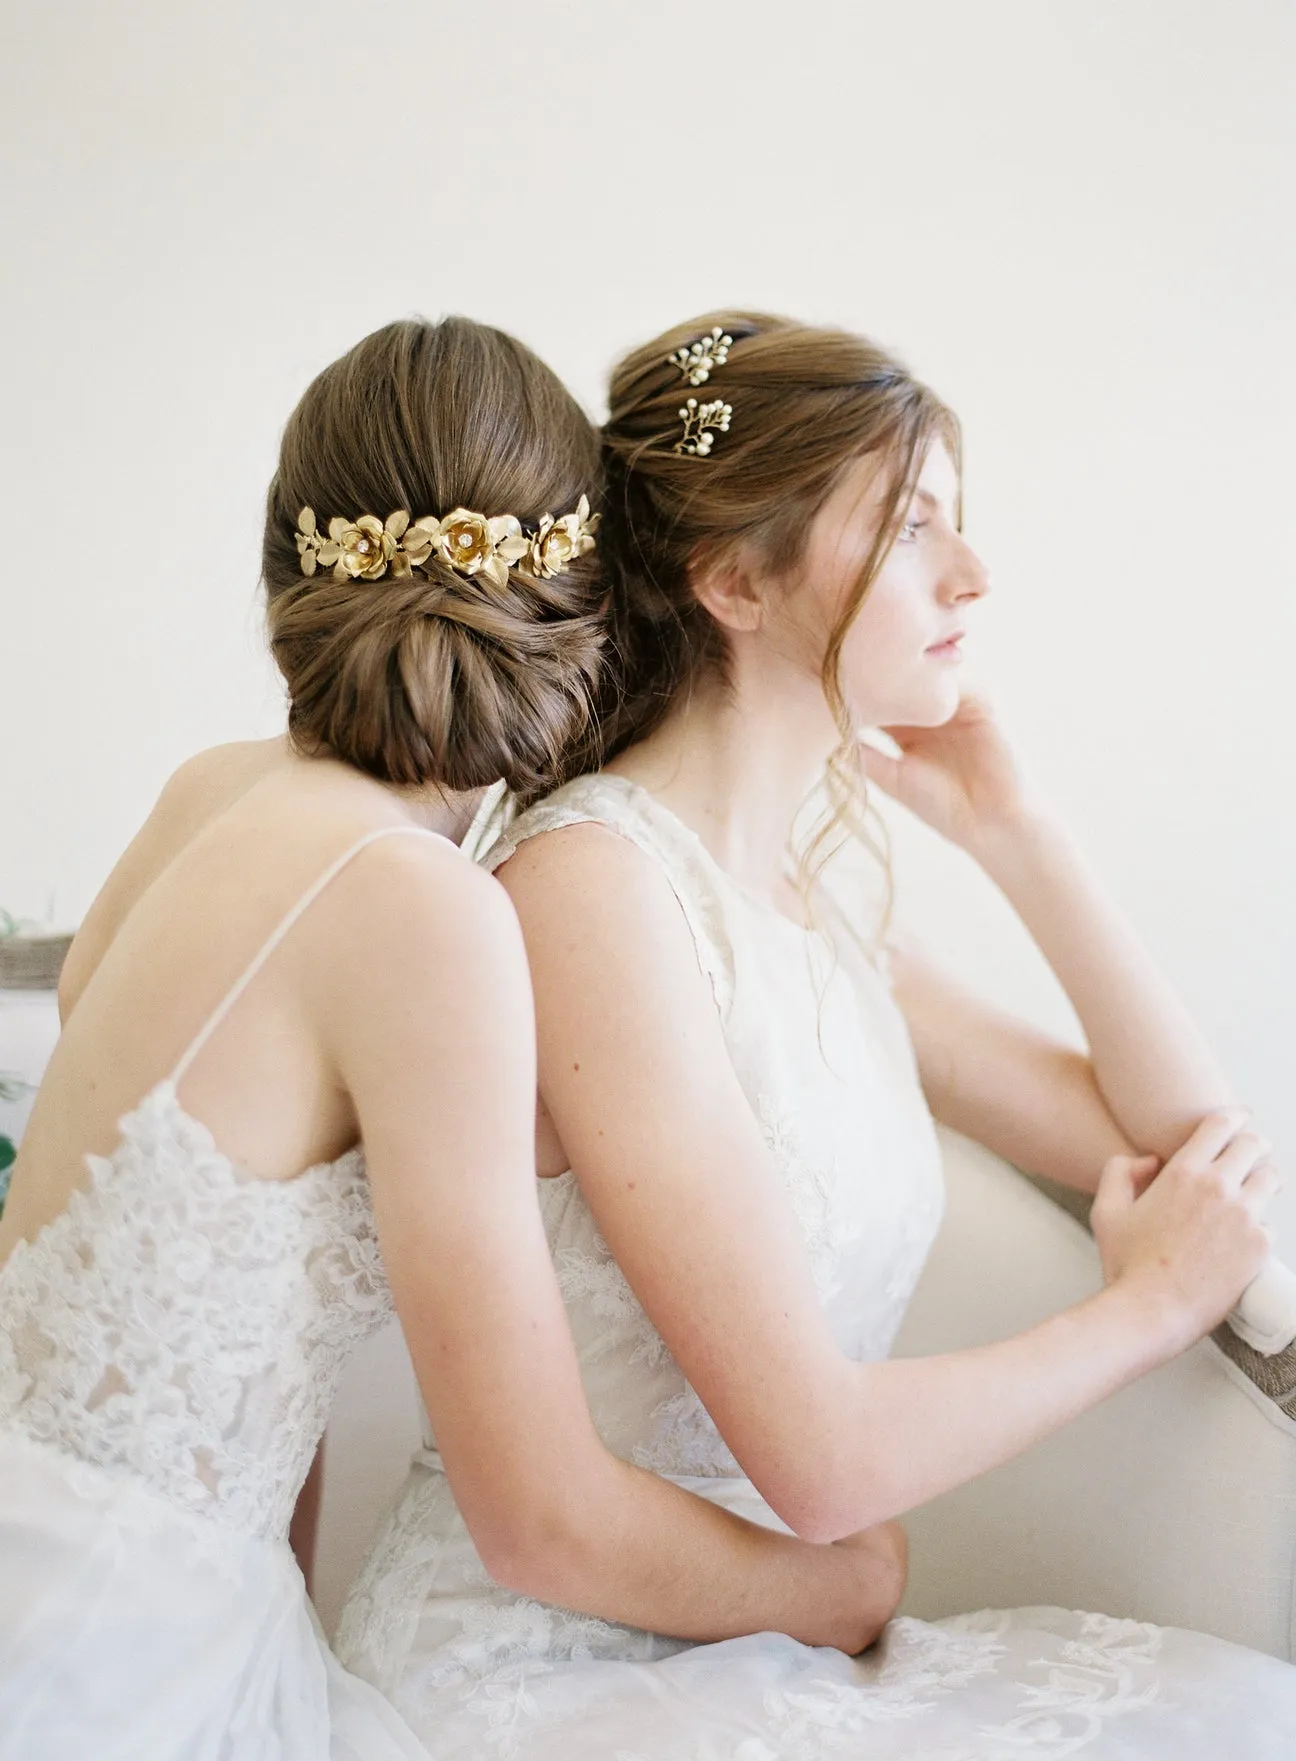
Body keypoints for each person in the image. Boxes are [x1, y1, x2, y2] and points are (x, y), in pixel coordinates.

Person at [336, 312, 1296, 1757]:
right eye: (912, 527)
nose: (972, 574)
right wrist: (1143, 1313)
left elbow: (1175, 1147)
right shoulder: (595, 890)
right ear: (734, 578)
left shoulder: (804, 907)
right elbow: (825, 1463)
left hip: (757, 1649)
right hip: (548, 1676)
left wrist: (1020, 836)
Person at [0, 315, 910, 1761]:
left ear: (286, 567)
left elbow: (234, 1363)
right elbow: (538, 1516)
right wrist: (839, 1584)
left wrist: (266, 1616)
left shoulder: (207, 795)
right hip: (106, 1655)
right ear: (583, 597)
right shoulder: (428, 916)